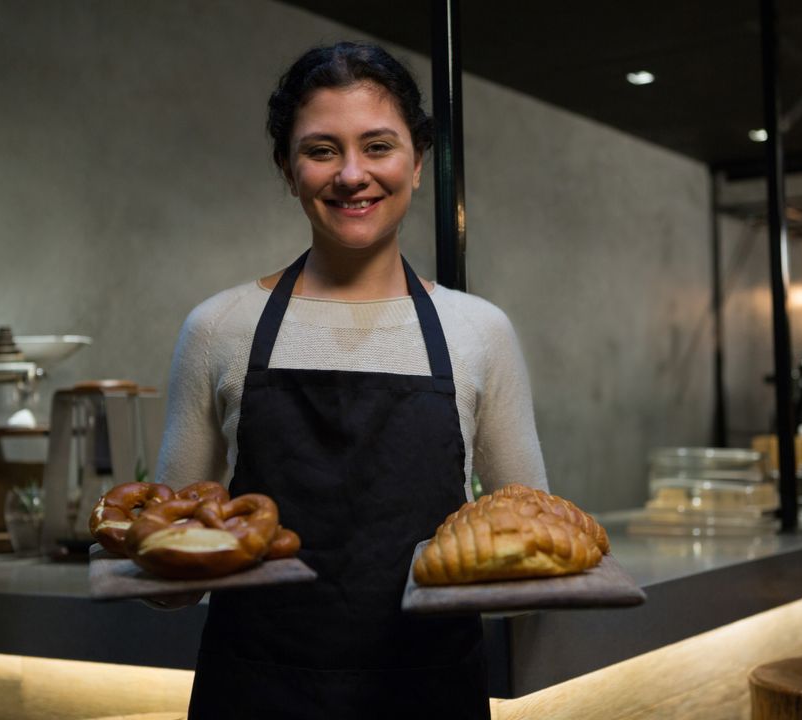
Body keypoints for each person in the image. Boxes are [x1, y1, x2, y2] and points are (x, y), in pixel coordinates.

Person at [153, 41, 548, 719]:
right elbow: (170, 570)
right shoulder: (220, 328)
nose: (352, 175)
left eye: (378, 146)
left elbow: (530, 535)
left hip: (430, 693)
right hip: (256, 694)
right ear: (287, 168)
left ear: (418, 162)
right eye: (321, 150)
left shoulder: (478, 331)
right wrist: (154, 570)